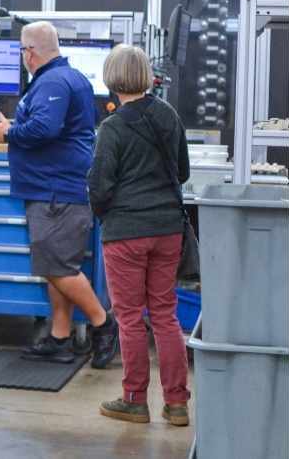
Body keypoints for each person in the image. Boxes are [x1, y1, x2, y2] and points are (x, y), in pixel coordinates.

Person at [0, 21, 120, 368]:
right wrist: (12, 127)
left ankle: (104, 324)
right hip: (56, 188)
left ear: (30, 52)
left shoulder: (54, 81)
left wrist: (8, 132)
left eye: (22, 51)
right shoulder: (64, 78)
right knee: (59, 265)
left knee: (57, 268)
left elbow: (45, 127)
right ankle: (60, 337)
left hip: (55, 190)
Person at [88, 45, 191, 426]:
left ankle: (134, 399)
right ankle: (177, 403)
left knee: (130, 317)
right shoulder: (169, 115)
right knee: (166, 315)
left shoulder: (112, 127)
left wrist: (108, 216)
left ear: (111, 79)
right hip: (167, 229)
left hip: (126, 232)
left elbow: (99, 186)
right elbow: (181, 171)